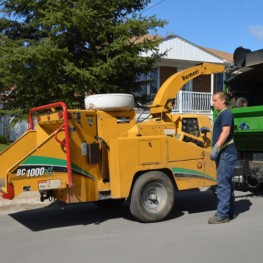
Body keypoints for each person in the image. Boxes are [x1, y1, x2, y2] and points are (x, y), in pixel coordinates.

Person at [208, 91, 237, 224]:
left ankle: (222, 215)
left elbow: (226, 131)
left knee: (223, 185)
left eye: (215, 101)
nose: (212, 103)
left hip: (226, 154)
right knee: (227, 184)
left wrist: (216, 147)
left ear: (223, 101)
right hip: (226, 154)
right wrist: (209, 130)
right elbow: (221, 130)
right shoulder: (222, 114)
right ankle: (229, 211)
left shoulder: (226, 113)